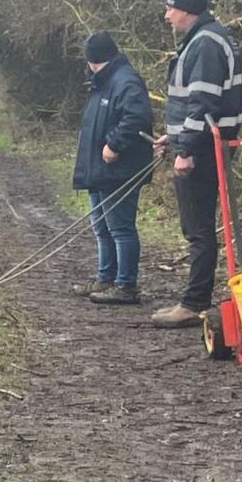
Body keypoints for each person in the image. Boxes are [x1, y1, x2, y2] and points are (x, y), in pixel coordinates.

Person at [152, 0, 242, 328]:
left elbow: (203, 103)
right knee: (198, 225)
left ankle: (194, 302)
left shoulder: (205, 44)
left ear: (188, 10)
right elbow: (195, 105)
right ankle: (195, 297)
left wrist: (186, 149)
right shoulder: (208, 38)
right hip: (204, 143)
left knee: (198, 227)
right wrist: (173, 136)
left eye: (170, 8)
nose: (167, 15)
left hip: (205, 148)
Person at [72, 31, 154, 305]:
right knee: (102, 227)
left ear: (93, 59)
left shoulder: (125, 81)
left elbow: (137, 118)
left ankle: (125, 284)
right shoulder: (102, 82)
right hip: (99, 170)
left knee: (121, 228)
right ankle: (105, 277)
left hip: (119, 170)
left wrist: (114, 145)